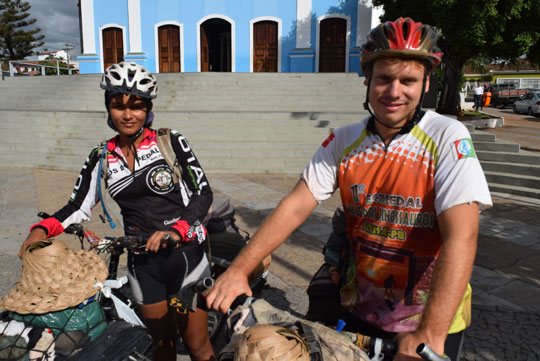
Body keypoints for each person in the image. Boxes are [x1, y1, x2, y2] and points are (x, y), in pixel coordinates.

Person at [206, 17, 492, 361]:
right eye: (384, 78)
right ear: (367, 80)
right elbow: (296, 205)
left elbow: (461, 236)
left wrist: (430, 333)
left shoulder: (447, 137)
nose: (394, 91)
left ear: (426, 82)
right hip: (359, 309)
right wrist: (239, 269)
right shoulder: (344, 140)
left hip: (428, 319)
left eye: (408, 80)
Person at [19, 62, 215, 361]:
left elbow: (202, 193)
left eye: (136, 106)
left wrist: (177, 229)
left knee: (198, 345)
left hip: (184, 256)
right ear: (108, 108)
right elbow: (77, 205)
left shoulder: (170, 141)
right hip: (142, 263)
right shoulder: (103, 155)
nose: (127, 114)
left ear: (147, 109)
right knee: (161, 345)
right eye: (117, 106)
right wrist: (41, 230)